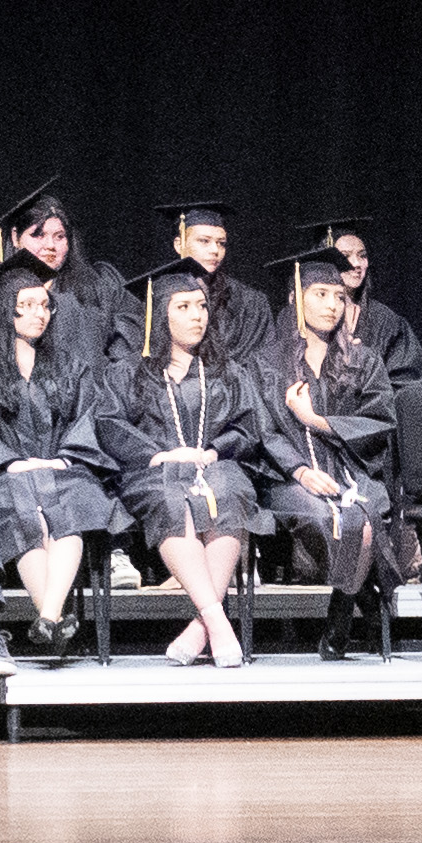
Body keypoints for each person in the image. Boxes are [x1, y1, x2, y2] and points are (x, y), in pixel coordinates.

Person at [97, 263, 261, 667]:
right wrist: (162, 455)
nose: (196, 316)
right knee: (171, 494)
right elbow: (109, 423)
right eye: (183, 306)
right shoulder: (129, 373)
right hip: (152, 473)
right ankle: (219, 625)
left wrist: (213, 451)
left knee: (232, 488)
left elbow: (248, 424)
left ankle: (201, 626)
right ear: (159, 315)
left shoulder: (226, 370)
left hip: (212, 466)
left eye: (201, 306)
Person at [0, 253, 115, 663]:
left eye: (44, 304)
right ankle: (54, 619)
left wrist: (64, 458)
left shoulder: (70, 366)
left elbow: (86, 418)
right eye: (25, 306)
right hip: (5, 475)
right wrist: (9, 461)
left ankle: (47, 616)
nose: (38, 314)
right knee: (24, 500)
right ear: (4, 310)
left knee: (61, 500)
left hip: (64, 470)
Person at [261, 248, 410, 657]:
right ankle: (364, 606)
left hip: (354, 472)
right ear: (296, 297)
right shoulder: (266, 364)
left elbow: (381, 423)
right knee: (329, 518)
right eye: (321, 294)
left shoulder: (362, 360)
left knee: (363, 516)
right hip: (292, 479)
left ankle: (339, 618)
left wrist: (314, 420)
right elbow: (264, 430)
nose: (332, 305)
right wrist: (300, 471)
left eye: (339, 296)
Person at [0, 180, 131, 380]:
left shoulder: (98, 286)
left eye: (60, 237)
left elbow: (125, 351)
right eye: (38, 235)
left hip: (87, 406)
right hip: (0, 404)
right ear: (16, 237)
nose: (50, 245)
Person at [150, 201, 279, 374]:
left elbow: (265, 366)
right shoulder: (154, 297)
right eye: (204, 241)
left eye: (221, 243)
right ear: (179, 245)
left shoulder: (250, 303)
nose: (215, 250)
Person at [299, 212, 422, 384]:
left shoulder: (384, 321)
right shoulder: (304, 316)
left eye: (362, 255)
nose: (357, 264)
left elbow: (408, 382)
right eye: (345, 256)